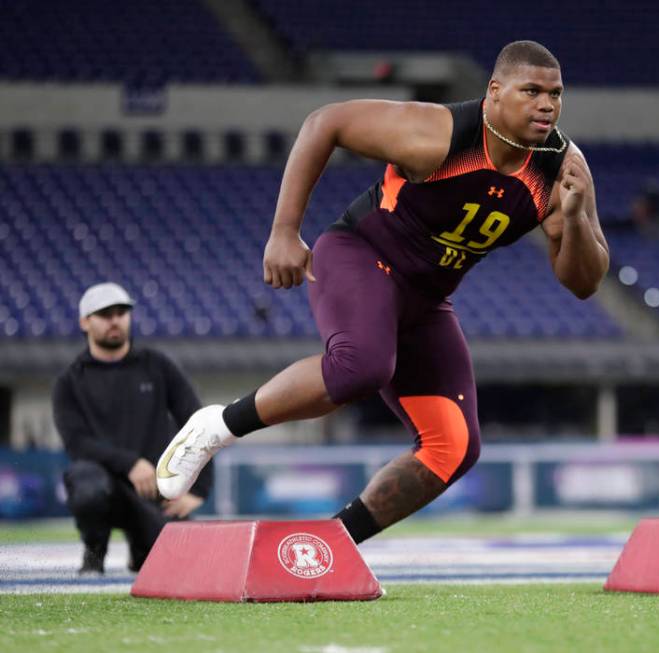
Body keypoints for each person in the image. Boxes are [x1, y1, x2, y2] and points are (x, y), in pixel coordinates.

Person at [156, 40, 609, 543]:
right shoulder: (439, 135)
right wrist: (285, 231)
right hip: (361, 255)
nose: (547, 105)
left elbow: (585, 282)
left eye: (556, 93)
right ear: (494, 92)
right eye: (532, 91)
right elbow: (324, 122)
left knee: (454, 446)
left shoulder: (561, 168)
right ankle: (217, 425)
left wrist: (573, 218)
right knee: (362, 366)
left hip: (426, 298)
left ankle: (331, 545)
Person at [53, 282, 211, 574]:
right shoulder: (70, 381)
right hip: (104, 486)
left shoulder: (157, 366)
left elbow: (198, 421)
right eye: (104, 314)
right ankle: (94, 551)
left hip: (155, 489)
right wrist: (130, 464)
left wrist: (198, 490)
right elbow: (77, 443)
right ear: (84, 322)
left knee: (176, 566)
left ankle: (141, 549)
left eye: (121, 312)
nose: (115, 320)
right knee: (86, 482)